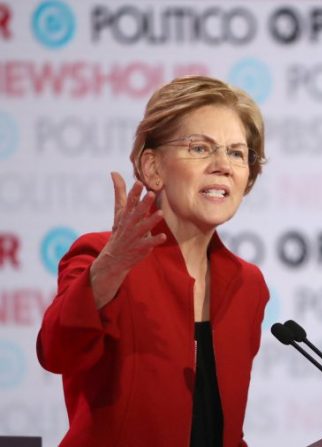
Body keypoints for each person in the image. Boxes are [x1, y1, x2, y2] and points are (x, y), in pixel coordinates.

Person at [37, 76, 269, 446]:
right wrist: (107, 274)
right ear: (153, 168)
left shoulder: (247, 284)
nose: (223, 165)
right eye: (200, 148)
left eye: (237, 153)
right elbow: (55, 352)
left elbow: (220, 429)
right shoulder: (101, 255)